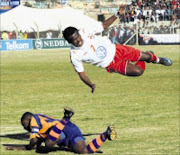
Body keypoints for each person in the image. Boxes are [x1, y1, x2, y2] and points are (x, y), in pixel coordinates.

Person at [62, 5, 172, 93]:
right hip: (111, 64)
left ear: (79, 33)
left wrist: (117, 14)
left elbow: (103, 25)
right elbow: (81, 74)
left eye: (78, 36)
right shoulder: (74, 54)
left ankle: (157, 60)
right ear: (69, 42)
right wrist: (91, 84)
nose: (78, 40)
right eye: (74, 40)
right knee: (138, 71)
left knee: (147, 56)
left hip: (117, 50)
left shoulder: (85, 31)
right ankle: (144, 58)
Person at [6, 107, 117, 154]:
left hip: (60, 128)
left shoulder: (34, 119)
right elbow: (33, 146)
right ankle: (105, 134)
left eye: (24, 124)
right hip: (71, 129)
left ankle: (65, 118)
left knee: (49, 143)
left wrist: (34, 141)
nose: (24, 127)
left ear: (28, 119)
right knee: (84, 152)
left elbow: (33, 142)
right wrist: (16, 148)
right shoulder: (41, 124)